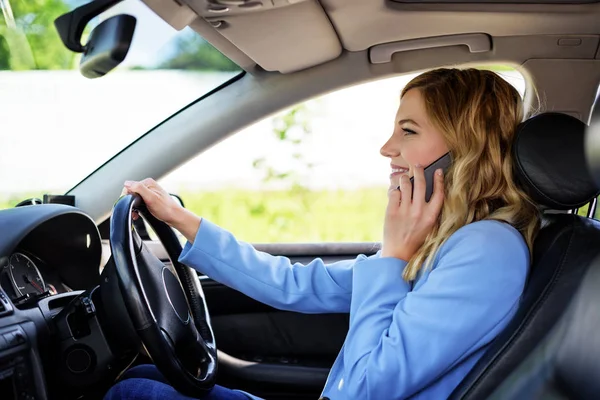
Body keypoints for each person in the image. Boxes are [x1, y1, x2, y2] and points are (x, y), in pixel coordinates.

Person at [104, 68, 541, 400]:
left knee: (130, 393)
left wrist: (392, 258)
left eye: (408, 131)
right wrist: (182, 220)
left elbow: (366, 387)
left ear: (464, 147)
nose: (387, 148)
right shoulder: (447, 240)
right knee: (143, 377)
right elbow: (295, 283)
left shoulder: (487, 250)